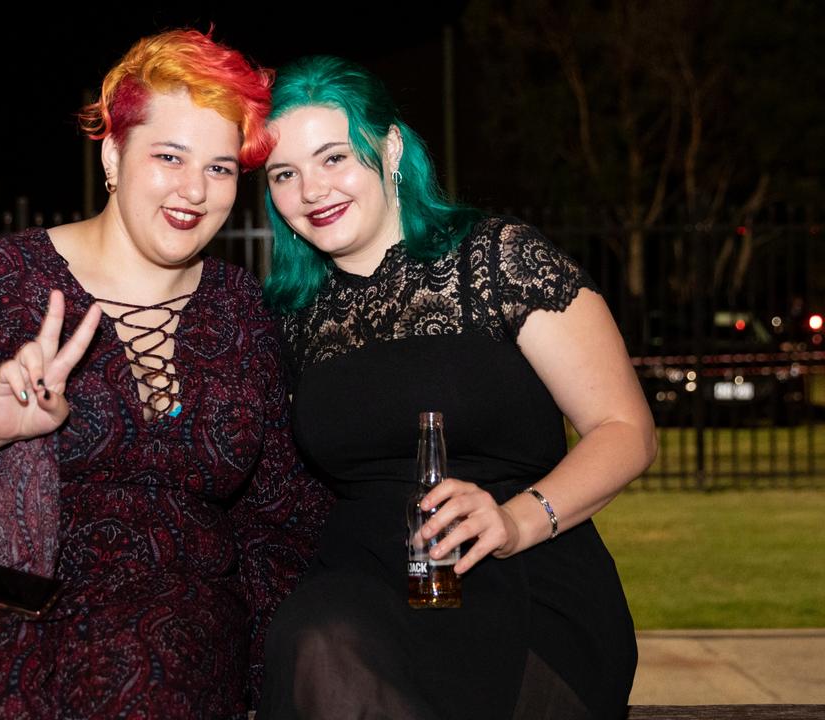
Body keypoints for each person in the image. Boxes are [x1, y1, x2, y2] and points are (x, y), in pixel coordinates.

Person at [0, 30, 331, 719]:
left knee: (141, 666)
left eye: (220, 168)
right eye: (169, 157)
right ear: (114, 153)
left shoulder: (238, 311)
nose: (193, 191)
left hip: (172, 616)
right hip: (2, 589)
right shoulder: (8, 281)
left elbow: (279, 516)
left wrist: (273, 676)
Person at [256, 56, 657, 719]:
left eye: (333, 158)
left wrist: (514, 520)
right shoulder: (293, 316)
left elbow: (626, 430)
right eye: (284, 174)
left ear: (388, 148)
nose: (311, 190)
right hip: (364, 587)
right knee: (317, 637)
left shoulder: (497, 261)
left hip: (527, 573)